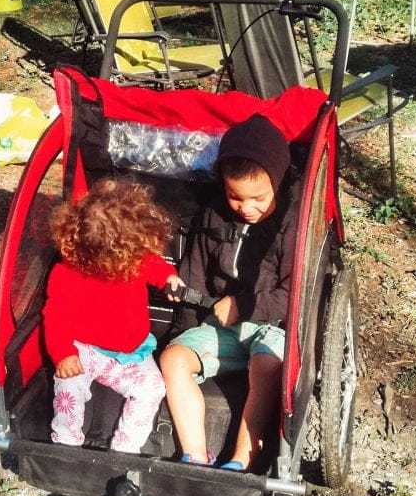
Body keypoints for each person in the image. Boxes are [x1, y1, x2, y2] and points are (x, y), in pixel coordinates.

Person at [159, 114, 295, 473]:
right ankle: (195, 454)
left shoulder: (291, 224)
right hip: (222, 326)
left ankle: (243, 456)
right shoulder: (215, 214)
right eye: (236, 197)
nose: (246, 208)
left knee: (267, 366)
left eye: (258, 198)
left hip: (271, 326)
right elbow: (198, 267)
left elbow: (293, 292)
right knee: (172, 359)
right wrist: (184, 296)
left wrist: (243, 305)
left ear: (277, 184)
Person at [42, 177, 184, 453]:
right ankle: (66, 439)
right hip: (85, 349)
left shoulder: (133, 257)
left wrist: (169, 277)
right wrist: (63, 353)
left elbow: (153, 265)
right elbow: (55, 315)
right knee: (68, 386)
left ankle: (126, 447)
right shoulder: (67, 272)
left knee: (152, 389)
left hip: (131, 353)